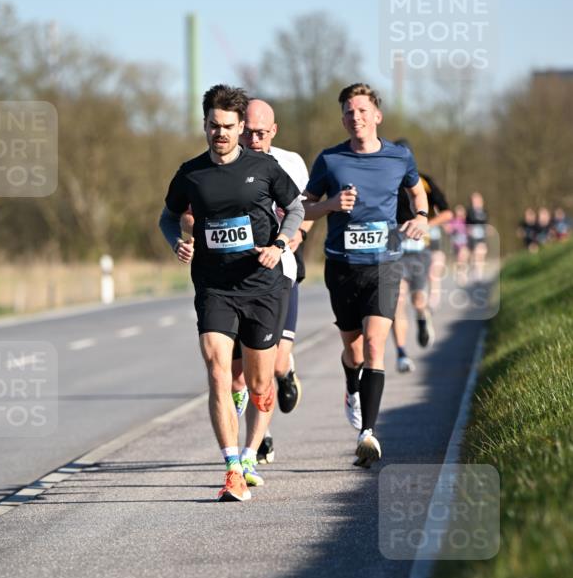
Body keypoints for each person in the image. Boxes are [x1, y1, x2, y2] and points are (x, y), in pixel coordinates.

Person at [159, 84, 304, 501]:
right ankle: (232, 468)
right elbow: (168, 218)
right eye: (212, 125)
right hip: (214, 287)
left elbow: (295, 208)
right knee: (219, 371)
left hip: (261, 286)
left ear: (241, 127)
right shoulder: (191, 173)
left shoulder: (264, 167)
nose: (219, 133)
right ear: (204, 125)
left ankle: (251, 450)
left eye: (227, 126)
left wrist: (281, 244)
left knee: (259, 385)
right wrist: (177, 241)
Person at [303, 84, 429, 467]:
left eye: (361, 110)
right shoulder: (329, 160)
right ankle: (350, 387)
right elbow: (305, 210)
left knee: (376, 344)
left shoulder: (399, 156)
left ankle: (368, 434)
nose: (354, 117)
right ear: (342, 119)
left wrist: (420, 218)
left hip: (384, 264)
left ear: (377, 115)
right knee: (353, 351)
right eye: (347, 112)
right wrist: (330, 204)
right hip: (341, 265)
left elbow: (417, 193)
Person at [237, 99, 312, 467]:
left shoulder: (291, 162)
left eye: (261, 133)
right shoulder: (226, 164)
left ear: (274, 131)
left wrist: (293, 237)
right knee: (244, 370)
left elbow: (305, 211)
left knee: (275, 362)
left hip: (281, 271)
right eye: (247, 131)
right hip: (236, 279)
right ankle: (260, 436)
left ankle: (287, 374)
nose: (253, 139)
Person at [391, 141, 452, 373]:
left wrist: (425, 224)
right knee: (397, 301)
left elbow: (447, 212)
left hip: (419, 251)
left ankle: (422, 318)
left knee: (417, 300)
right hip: (394, 249)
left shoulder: (424, 181)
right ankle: (401, 353)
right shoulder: (385, 181)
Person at [466, 192, 489, 280]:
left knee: (482, 252)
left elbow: (485, 222)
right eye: (474, 199)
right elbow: (467, 222)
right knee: (475, 253)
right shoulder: (470, 211)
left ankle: (480, 272)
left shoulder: (484, 211)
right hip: (473, 236)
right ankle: (473, 268)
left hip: (481, 235)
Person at [447, 205, 470, 284]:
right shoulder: (453, 221)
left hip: (465, 243)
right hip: (456, 244)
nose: (459, 213)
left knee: (463, 258)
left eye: (461, 211)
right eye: (458, 211)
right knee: (460, 259)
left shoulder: (466, 221)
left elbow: (469, 231)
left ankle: (463, 274)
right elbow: (448, 230)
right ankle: (460, 274)